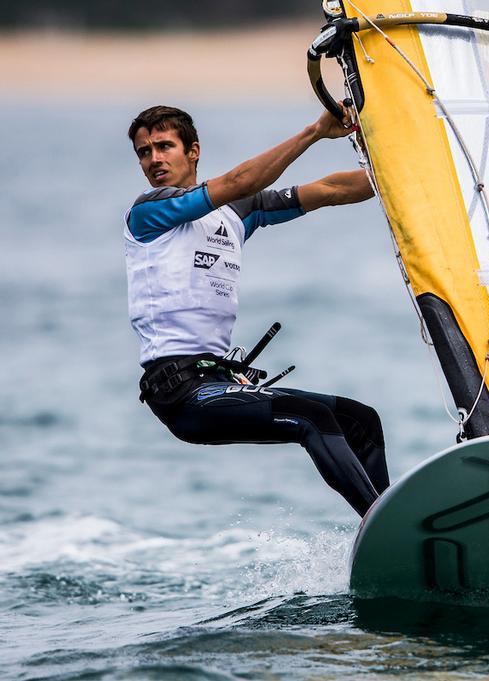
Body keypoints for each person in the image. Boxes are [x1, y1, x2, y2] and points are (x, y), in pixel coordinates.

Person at [124, 104, 387, 516]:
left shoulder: (239, 212)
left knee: (361, 420)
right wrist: (314, 131)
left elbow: (332, 190)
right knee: (312, 418)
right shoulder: (149, 212)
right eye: (144, 152)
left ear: (192, 150)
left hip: (215, 380)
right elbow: (239, 180)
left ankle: (387, 525)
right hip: (180, 393)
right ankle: (381, 520)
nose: (153, 159)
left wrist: (402, 173)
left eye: (163, 146)